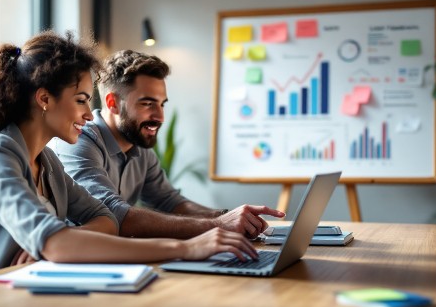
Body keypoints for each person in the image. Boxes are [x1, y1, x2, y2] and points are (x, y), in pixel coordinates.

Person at [0, 31, 257, 291]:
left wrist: (51, 244)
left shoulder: (47, 163)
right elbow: (60, 243)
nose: (89, 115)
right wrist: (185, 248)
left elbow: (105, 219)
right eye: (80, 100)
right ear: (44, 98)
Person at [50, 50, 284, 240]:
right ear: (113, 103)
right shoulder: (78, 141)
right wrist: (218, 225)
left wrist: (228, 217)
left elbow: (171, 202)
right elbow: (114, 215)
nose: (160, 116)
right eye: (148, 103)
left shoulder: (140, 147)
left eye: (162, 104)